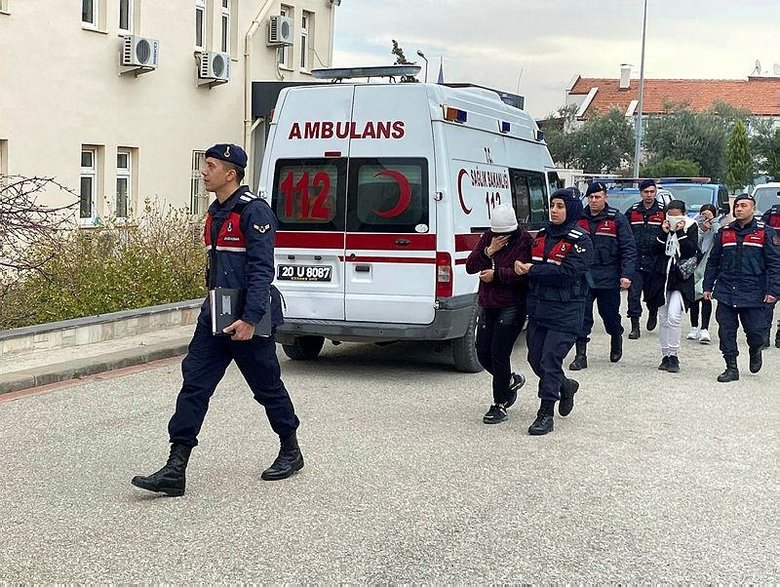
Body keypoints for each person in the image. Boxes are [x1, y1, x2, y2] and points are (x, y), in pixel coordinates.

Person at [131, 144, 303, 496]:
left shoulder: (254, 212)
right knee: (194, 384)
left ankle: (290, 449)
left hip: (248, 319)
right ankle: (175, 468)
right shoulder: (215, 212)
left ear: (230, 172)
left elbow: (260, 271)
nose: (203, 172)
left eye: (209, 166)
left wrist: (251, 319)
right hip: (215, 314)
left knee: (266, 386)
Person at [514, 188, 593, 436]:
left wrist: (531, 271)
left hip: (566, 311)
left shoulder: (581, 240)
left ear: (571, 209)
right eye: (552, 205)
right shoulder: (543, 234)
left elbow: (568, 274)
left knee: (550, 361)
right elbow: (529, 261)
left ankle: (545, 413)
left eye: (560, 206)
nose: (554, 210)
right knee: (535, 360)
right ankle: (566, 385)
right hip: (538, 309)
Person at [466, 203, 533, 424]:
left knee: (499, 352)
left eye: (505, 234)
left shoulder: (523, 240)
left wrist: (497, 275)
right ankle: (510, 380)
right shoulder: (488, 237)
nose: (501, 237)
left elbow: (523, 274)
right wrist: (489, 251)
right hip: (489, 302)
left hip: (512, 304)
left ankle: (499, 403)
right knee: (482, 353)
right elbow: (470, 266)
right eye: (497, 233)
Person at [703, 193, 780, 383]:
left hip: (754, 291)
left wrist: (773, 291)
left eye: (743, 205)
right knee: (726, 331)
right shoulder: (725, 232)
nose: (739, 208)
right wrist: (707, 286)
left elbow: (775, 264)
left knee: (755, 332)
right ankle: (731, 367)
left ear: (753, 209)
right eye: (737, 205)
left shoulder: (766, 232)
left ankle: (756, 349)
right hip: (727, 289)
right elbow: (713, 261)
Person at [569, 181, 637, 370]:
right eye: (590, 197)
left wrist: (627, 274)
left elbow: (629, 249)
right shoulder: (578, 218)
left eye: (597, 197)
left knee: (609, 315)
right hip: (584, 276)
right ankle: (580, 356)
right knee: (582, 316)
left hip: (608, 276)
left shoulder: (617, 219)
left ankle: (616, 336)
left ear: (605, 197)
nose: (593, 201)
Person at [645, 200, 700, 373]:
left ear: (684, 214)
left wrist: (680, 232)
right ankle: (665, 355)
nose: (673, 219)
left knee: (674, 316)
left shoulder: (691, 226)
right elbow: (653, 249)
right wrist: (664, 233)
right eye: (670, 216)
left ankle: (674, 355)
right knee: (663, 317)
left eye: (677, 216)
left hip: (681, 277)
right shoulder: (663, 226)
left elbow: (691, 250)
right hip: (662, 275)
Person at [625, 179, 666, 339]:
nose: (649, 195)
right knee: (633, 294)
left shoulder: (663, 211)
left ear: (656, 192)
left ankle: (653, 310)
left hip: (655, 259)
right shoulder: (632, 211)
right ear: (641, 193)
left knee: (653, 293)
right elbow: (625, 233)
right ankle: (635, 326)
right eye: (646, 192)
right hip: (636, 259)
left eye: (652, 192)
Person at [687, 204, 719, 344]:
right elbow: (693, 244)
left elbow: (718, 240)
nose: (705, 217)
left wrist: (713, 224)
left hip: (708, 267)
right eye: (703, 214)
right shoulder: (694, 226)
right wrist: (702, 229)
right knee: (693, 297)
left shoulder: (717, 227)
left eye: (708, 214)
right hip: (694, 266)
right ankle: (694, 327)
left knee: (705, 296)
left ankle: (704, 329)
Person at [760, 202, 780, 348]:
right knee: (769, 300)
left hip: (771, 261)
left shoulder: (771, 212)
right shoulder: (771, 213)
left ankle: (765, 336)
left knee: (769, 302)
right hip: (772, 261)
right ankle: (768, 335)